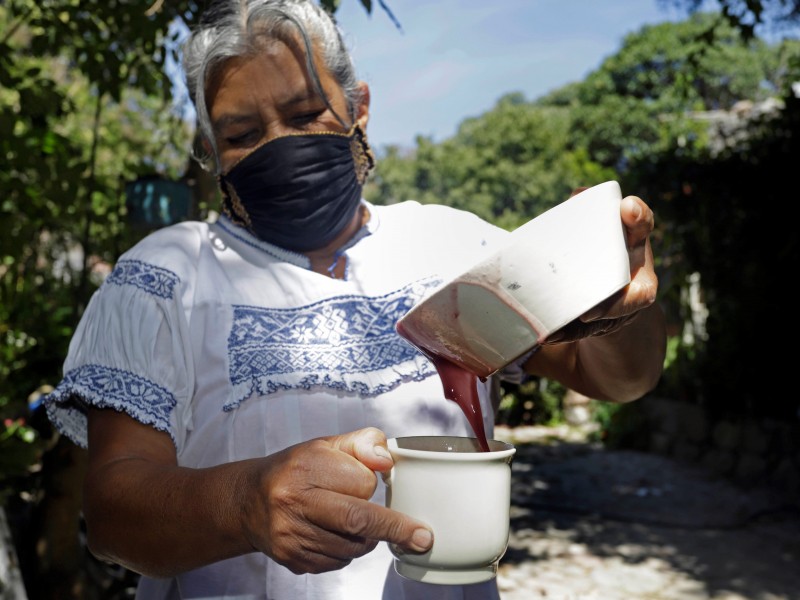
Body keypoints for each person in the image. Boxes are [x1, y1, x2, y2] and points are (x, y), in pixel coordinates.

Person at [43, 1, 667, 598]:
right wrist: (243, 503)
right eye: (242, 133)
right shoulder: (166, 276)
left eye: (307, 112)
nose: (280, 145)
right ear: (209, 152)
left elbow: (616, 378)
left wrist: (618, 306)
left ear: (359, 108)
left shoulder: (452, 244)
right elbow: (115, 515)